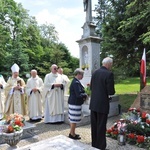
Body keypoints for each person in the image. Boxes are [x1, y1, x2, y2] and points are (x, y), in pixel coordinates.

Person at [89, 57, 115, 150]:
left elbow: (91, 87)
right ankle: (101, 146)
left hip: (93, 103)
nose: (111, 66)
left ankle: (94, 144)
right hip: (103, 103)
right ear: (108, 64)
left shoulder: (95, 72)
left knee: (94, 125)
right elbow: (111, 91)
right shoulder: (109, 74)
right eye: (111, 64)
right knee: (101, 125)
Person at [68, 68, 88, 140]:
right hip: (75, 103)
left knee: (73, 119)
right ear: (78, 74)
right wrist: (85, 94)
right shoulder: (76, 82)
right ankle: (72, 134)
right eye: (82, 75)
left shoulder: (75, 81)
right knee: (74, 120)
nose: (82, 76)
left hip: (73, 102)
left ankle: (72, 133)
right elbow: (78, 95)